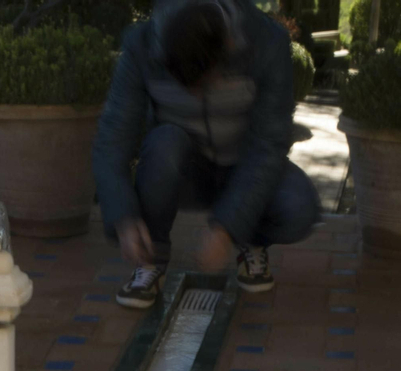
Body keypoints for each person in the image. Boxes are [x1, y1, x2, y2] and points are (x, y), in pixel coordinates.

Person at [92, 0, 322, 308]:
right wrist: (123, 217)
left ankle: (251, 240)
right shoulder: (142, 46)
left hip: (245, 165)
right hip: (186, 169)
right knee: (164, 142)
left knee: (299, 207)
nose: (197, 95)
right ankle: (151, 261)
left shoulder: (267, 43)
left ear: (227, 45)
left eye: (203, 82)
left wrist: (228, 228)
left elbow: (268, 146)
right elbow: (112, 138)